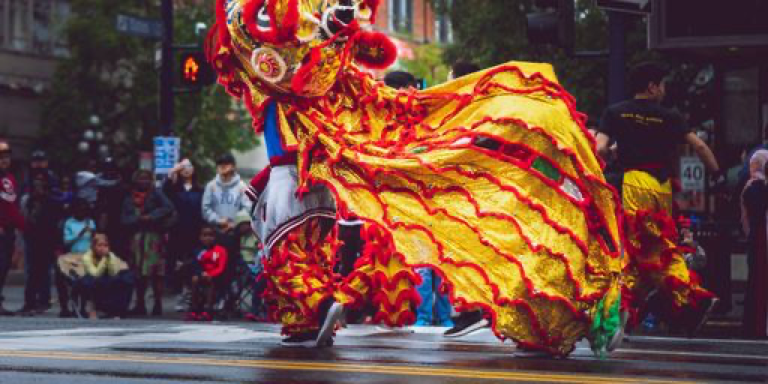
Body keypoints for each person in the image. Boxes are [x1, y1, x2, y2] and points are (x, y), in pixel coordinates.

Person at [209, 0, 623, 357]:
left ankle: (313, 310)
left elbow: (288, 60)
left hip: (300, 176)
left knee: (292, 244)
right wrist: (330, 30)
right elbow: (277, 56)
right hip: (315, 173)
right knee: (300, 245)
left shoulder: (313, 75)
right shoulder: (279, 58)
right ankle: (315, 310)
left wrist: (330, 30)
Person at [595, 62, 720, 335]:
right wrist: (717, 174)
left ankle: (618, 311)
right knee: (660, 246)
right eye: (661, 85)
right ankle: (681, 297)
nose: (663, 90)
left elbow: (600, 147)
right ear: (652, 87)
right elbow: (698, 145)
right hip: (662, 188)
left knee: (634, 246)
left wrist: (612, 157)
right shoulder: (670, 116)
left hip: (635, 183)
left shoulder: (615, 112)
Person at [121, 169, 175, 316]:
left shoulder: (156, 193)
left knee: (156, 273)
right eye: (140, 178)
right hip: (136, 239)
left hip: (154, 238)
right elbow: (124, 219)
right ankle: (140, 304)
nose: (143, 181)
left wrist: (151, 217)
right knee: (138, 273)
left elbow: (168, 208)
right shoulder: (129, 197)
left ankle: (157, 304)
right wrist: (137, 220)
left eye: (146, 179)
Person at [18, 176, 63, 315]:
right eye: (35, 186)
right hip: (32, 240)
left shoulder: (52, 203)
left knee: (44, 273)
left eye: (40, 186)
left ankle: (44, 301)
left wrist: (57, 246)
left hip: (47, 241)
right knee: (32, 272)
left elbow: (56, 226)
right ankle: (29, 303)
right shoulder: (30, 201)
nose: (37, 189)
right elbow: (26, 220)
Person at [163, 159, 204, 296]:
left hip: (195, 230)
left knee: (193, 261)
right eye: (183, 167)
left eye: (189, 166)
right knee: (176, 261)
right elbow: (164, 191)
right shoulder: (174, 188)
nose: (186, 169)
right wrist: (173, 171)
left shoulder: (200, 189)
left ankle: (191, 292)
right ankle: (177, 290)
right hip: (177, 230)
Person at [740, 150, 768, 339]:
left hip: (757, 238)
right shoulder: (756, 187)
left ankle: (754, 326)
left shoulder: (750, 187)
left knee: (756, 280)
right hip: (761, 237)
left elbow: (745, 218)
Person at [80, 233, 133, 319]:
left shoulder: (110, 255)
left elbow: (113, 273)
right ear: (93, 246)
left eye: (105, 245)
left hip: (105, 278)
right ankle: (93, 308)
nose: (102, 248)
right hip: (91, 280)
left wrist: (109, 258)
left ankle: (118, 311)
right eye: (99, 245)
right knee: (92, 282)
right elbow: (95, 274)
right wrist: (104, 260)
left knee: (125, 279)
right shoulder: (87, 256)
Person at [0, 139, 25, 316]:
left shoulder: (9, 179)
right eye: (0, 157)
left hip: (9, 231)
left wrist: (23, 227)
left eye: (6, 156)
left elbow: (13, 207)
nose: (4, 160)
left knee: (4, 266)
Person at [185, 225, 228, 321]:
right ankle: (194, 309)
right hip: (201, 275)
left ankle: (208, 310)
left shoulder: (220, 250)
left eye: (210, 235)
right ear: (200, 237)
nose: (207, 238)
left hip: (216, 276)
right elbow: (195, 265)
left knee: (210, 282)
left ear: (215, 237)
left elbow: (221, 267)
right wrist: (201, 273)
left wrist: (211, 274)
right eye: (204, 235)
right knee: (194, 279)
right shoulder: (198, 251)